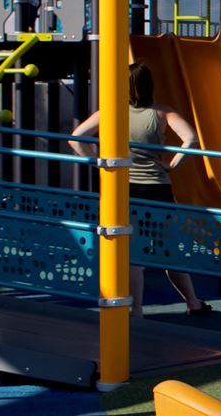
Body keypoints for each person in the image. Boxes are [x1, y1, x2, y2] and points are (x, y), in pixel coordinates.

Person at [70, 62, 207, 315]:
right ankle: (193, 302)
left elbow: (75, 137)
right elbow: (190, 138)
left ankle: (137, 310)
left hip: (125, 188)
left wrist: (98, 163)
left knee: (133, 254)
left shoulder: (110, 112)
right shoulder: (163, 113)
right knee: (168, 249)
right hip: (157, 188)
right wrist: (173, 165)